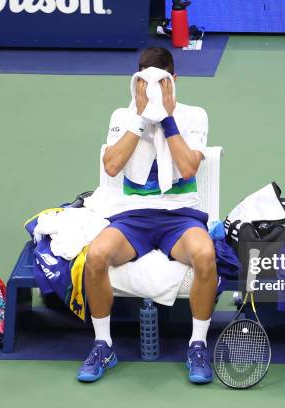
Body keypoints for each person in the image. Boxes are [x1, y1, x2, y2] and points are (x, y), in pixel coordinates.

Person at [77, 47, 217, 384]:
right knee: (95, 256)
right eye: (145, 81)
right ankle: (103, 345)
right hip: (132, 218)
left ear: (174, 80)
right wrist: (140, 119)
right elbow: (111, 165)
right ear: (137, 82)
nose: (152, 89)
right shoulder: (122, 117)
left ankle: (197, 345)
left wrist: (167, 118)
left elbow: (186, 167)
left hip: (180, 217)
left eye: (160, 81)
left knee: (205, 255)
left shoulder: (194, 115)